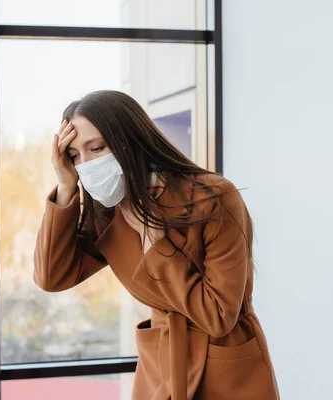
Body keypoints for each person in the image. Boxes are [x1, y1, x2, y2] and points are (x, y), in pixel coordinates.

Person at [33, 90, 280, 400]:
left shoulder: (214, 197)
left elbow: (218, 317)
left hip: (226, 369)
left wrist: (156, 242)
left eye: (96, 148)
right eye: (74, 156)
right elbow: (52, 277)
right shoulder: (109, 211)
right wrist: (66, 185)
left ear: (130, 139)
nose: (86, 164)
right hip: (159, 370)